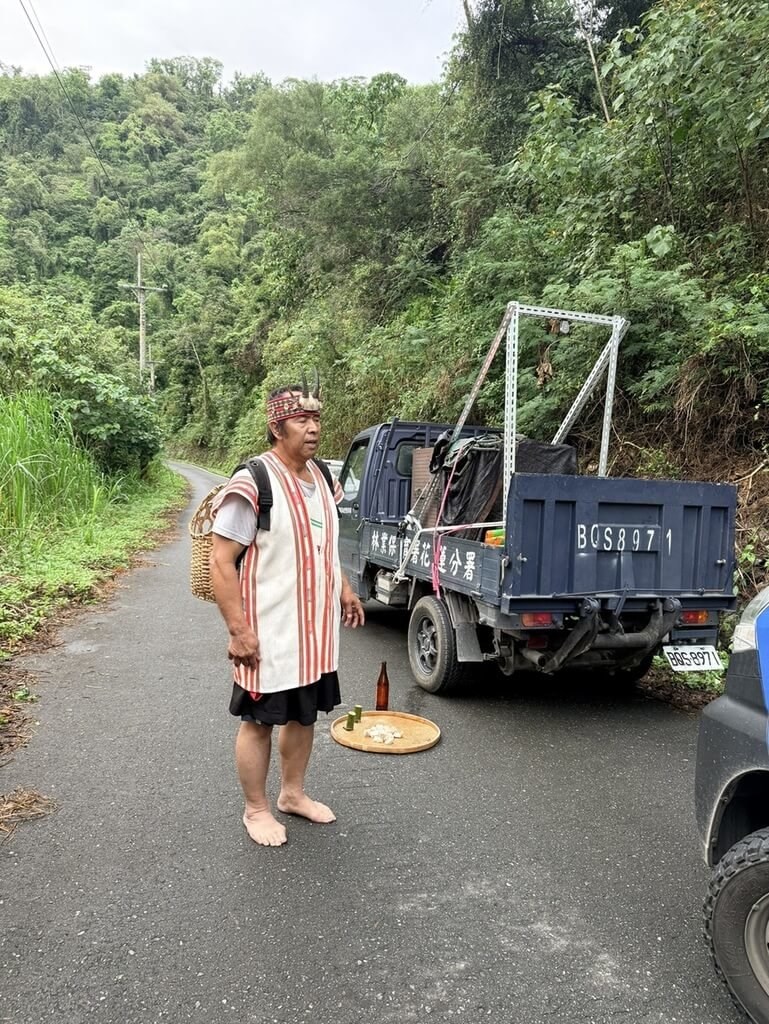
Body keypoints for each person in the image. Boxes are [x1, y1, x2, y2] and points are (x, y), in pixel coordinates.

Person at [209, 381, 365, 847]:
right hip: (268, 632)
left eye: (316, 419)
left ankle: (292, 794)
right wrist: (238, 630)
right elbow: (220, 560)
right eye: (301, 420)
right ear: (277, 427)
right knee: (258, 721)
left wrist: (345, 588)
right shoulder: (253, 481)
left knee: (304, 716)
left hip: (315, 634)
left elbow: (324, 543)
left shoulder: (322, 477)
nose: (313, 428)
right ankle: (255, 809)